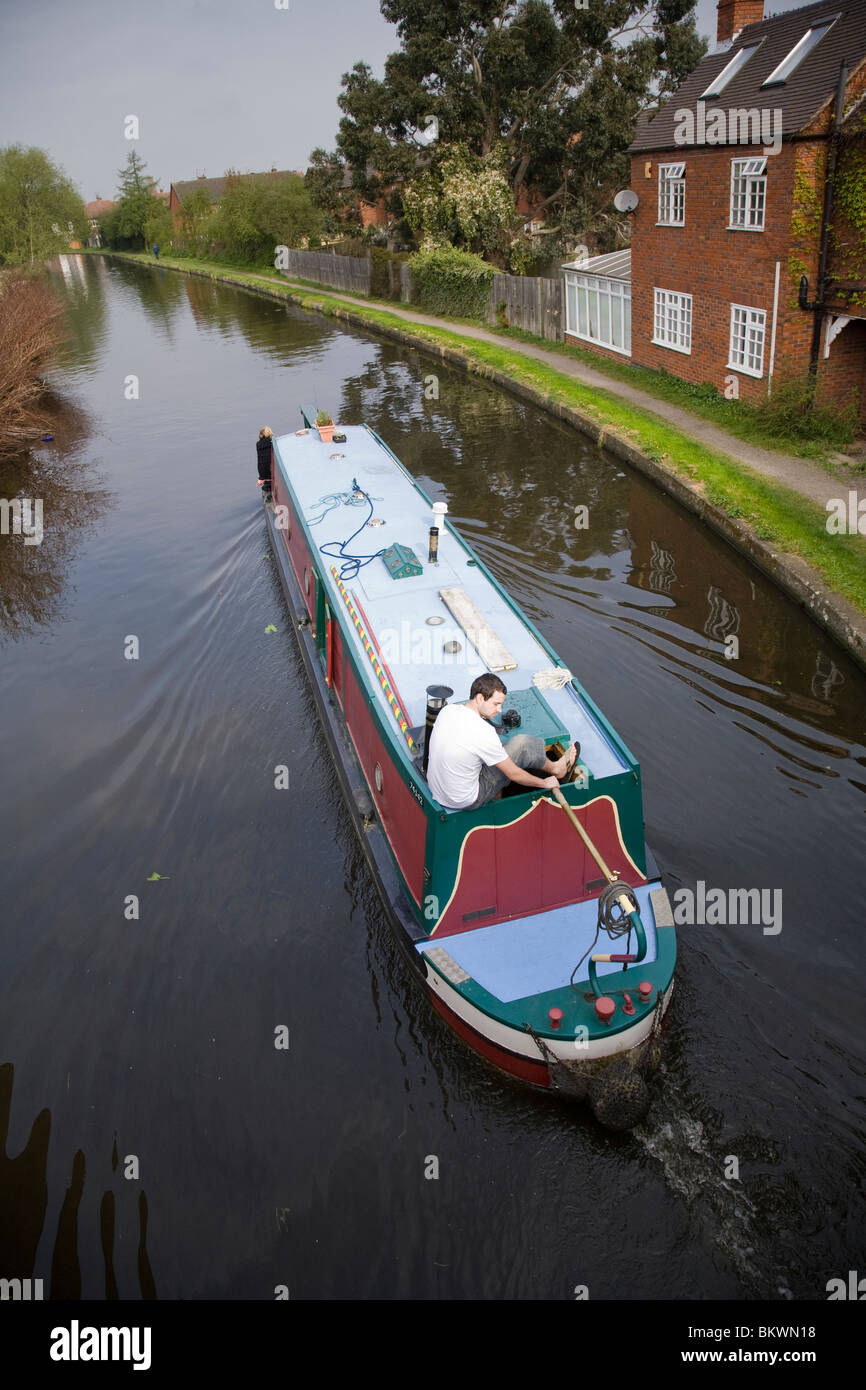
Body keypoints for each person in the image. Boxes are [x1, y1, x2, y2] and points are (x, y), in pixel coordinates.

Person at [426, 672, 578, 811]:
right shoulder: (484, 732)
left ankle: (499, 793)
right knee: (523, 744)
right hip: (464, 800)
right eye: (496, 703)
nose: (499, 710)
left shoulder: (448, 710)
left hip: (438, 791)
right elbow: (513, 774)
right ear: (480, 698)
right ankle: (558, 769)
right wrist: (544, 783)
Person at [256, 426, 274, 498]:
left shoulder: (258, 444)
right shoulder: (271, 444)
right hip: (269, 470)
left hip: (261, 470)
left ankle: (267, 490)